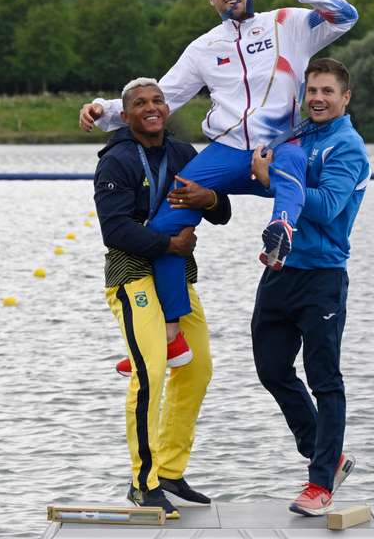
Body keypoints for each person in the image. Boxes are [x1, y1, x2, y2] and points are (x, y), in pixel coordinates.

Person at [80, 0, 359, 347]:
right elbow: (163, 97)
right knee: (163, 227)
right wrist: (104, 110)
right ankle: (173, 329)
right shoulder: (203, 48)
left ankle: (280, 232)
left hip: (278, 147)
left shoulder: (287, 24)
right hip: (227, 153)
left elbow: (345, 15)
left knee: (295, 160)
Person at [94, 78, 232, 519]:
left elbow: (222, 212)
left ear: (167, 108)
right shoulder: (115, 161)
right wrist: (168, 246)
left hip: (178, 278)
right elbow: (114, 231)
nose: (151, 108)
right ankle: (143, 481)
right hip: (132, 276)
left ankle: (171, 471)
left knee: (199, 369)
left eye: (157, 101)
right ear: (126, 112)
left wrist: (208, 197)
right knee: (150, 373)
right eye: (139, 103)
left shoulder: (183, 154)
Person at [250, 58, 371, 517]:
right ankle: (328, 454)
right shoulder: (298, 135)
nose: (317, 98)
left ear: (345, 97)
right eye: (312, 90)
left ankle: (321, 482)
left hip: (322, 275)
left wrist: (276, 178)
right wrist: (263, 178)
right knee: (271, 368)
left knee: (324, 379)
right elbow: (284, 192)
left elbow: (321, 206)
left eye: (327, 91)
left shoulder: (348, 147)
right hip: (280, 270)